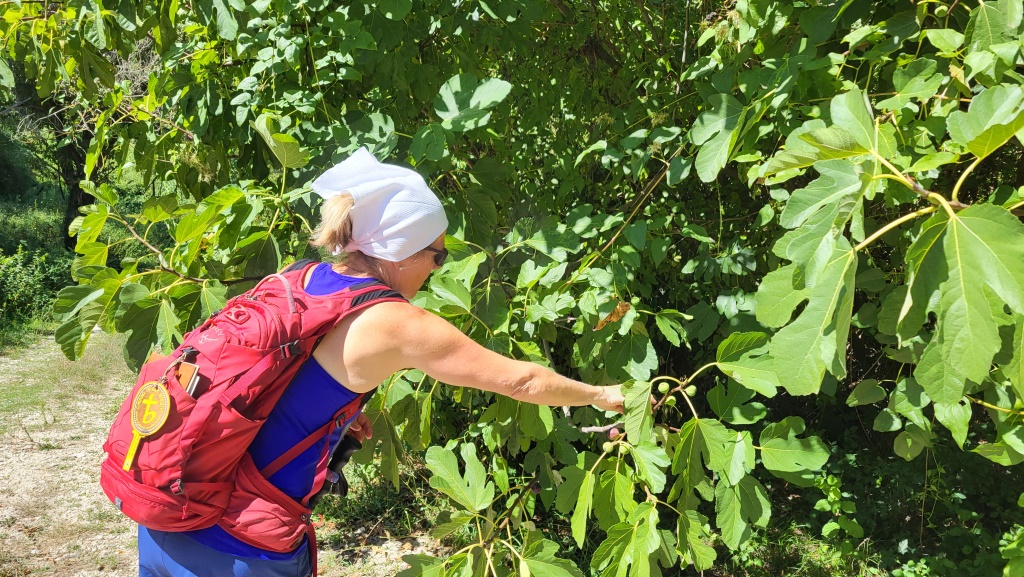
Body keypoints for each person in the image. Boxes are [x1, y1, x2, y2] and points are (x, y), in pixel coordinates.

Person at [137, 148, 625, 577]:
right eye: (436, 256)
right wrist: (602, 395)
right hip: (239, 551)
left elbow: (271, 379)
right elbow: (522, 382)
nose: (437, 269)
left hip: (170, 515)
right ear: (403, 252)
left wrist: (333, 414)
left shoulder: (299, 278)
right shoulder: (393, 321)